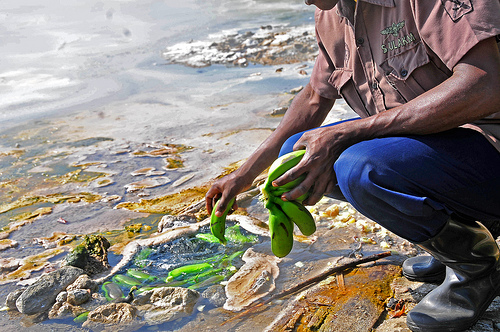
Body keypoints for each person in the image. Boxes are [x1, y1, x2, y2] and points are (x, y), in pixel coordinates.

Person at [206, 0, 500, 331]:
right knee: (297, 154)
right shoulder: (333, 13)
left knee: (359, 167)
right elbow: (315, 98)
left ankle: (474, 265)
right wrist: (243, 175)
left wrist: (346, 132)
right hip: (441, 155)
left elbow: (485, 84)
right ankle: (450, 241)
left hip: (490, 149)